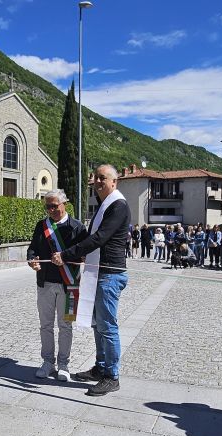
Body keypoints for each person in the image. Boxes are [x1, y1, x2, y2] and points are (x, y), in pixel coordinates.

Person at [52, 165, 130, 397]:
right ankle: (101, 368)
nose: (97, 181)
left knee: (107, 326)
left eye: (102, 178)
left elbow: (99, 238)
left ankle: (112, 376)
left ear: (114, 182)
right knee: (98, 324)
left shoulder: (118, 205)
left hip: (109, 275)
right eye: (95, 177)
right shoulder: (105, 205)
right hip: (99, 273)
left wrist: (66, 255)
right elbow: (89, 236)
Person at [27, 190, 88, 380]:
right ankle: (47, 362)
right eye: (48, 206)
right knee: (45, 325)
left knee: (66, 325)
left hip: (69, 285)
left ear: (65, 204)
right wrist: (32, 260)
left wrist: (68, 258)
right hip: (44, 283)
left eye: (55, 205)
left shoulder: (77, 227)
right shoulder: (41, 225)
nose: (51, 209)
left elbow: (85, 255)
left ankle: (63, 364)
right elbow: (32, 248)